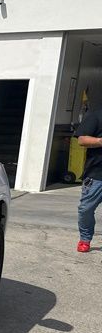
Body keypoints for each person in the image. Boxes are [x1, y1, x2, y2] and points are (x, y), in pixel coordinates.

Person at [74, 105, 102, 252]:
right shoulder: (96, 115)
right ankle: (85, 239)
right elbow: (82, 139)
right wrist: (100, 141)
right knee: (86, 209)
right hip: (97, 174)